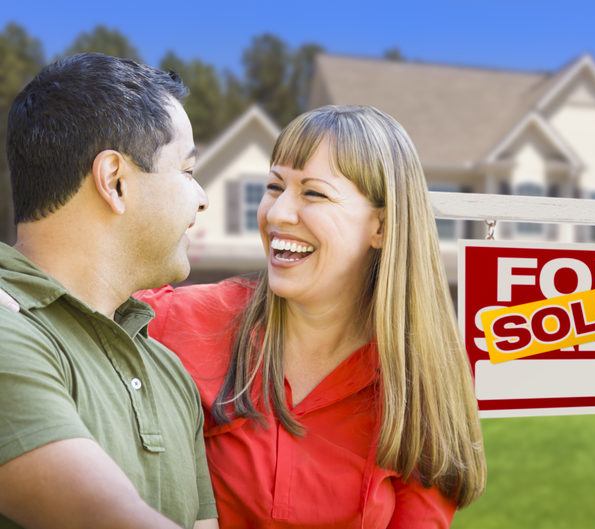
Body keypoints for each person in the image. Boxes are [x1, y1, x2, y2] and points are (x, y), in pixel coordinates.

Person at [0, 102, 487, 526]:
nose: (277, 214)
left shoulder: (423, 380)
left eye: (313, 193)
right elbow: (65, 296)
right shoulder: (181, 320)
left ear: (381, 225)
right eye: (275, 187)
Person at [0, 54, 218, 529]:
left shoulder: (168, 372)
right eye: (186, 170)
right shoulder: (7, 329)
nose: (202, 197)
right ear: (114, 180)